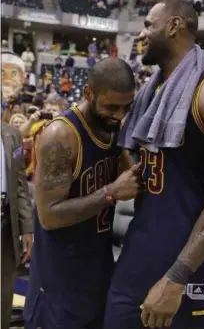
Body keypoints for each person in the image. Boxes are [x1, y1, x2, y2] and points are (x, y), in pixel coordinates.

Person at [104, 0, 204, 329]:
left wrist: (177, 277)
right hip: (139, 252)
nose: (141, 34)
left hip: (188, 270)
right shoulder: (152, 90)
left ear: (173, 26)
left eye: (147, 25)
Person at [24, 58, 142, 329]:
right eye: (112, 106)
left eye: (126, 107)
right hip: (59, 276)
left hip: (97, 266)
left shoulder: (111, 128)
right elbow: (49, 216)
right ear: (88, 93)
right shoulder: (61, 135)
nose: (119, 115)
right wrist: (111, 193)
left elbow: (132, 177)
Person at [1, 122, 33, 329]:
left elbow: (20, 183)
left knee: (3, 296)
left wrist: (27, 226)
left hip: (5, 224)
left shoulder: (12, 134)